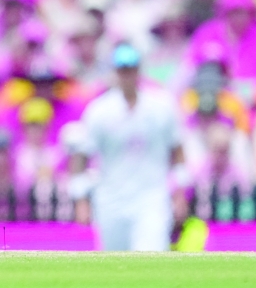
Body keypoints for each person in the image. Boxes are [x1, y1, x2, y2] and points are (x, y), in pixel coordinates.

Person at [70, 44, 187, 252]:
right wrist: (81, 199)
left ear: (139, 70)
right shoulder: (99, 111)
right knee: (115, 268)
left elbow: (177, 152)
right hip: (110, 201)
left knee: (152, 259)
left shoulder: (161, 107)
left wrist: (179, 194)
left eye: (131, 69)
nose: (127, 75)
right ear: (115, 72)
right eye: (122, 69)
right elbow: (81, 157)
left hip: (152, 199)